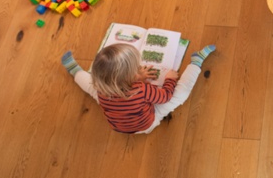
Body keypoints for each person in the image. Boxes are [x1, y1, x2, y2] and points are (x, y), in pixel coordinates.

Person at [61, 43, 215, 134]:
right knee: (180, 94)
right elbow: (165, 96)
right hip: (146, 125)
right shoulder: (141, 90)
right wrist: (169, 80)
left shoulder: (101, 87)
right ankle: (196, 62)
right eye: (137, 68)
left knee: (90, 86)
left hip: (117, 126)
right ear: (129, 78)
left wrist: (137, 77)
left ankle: (75, 71)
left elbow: (122, 85)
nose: (140, 67)